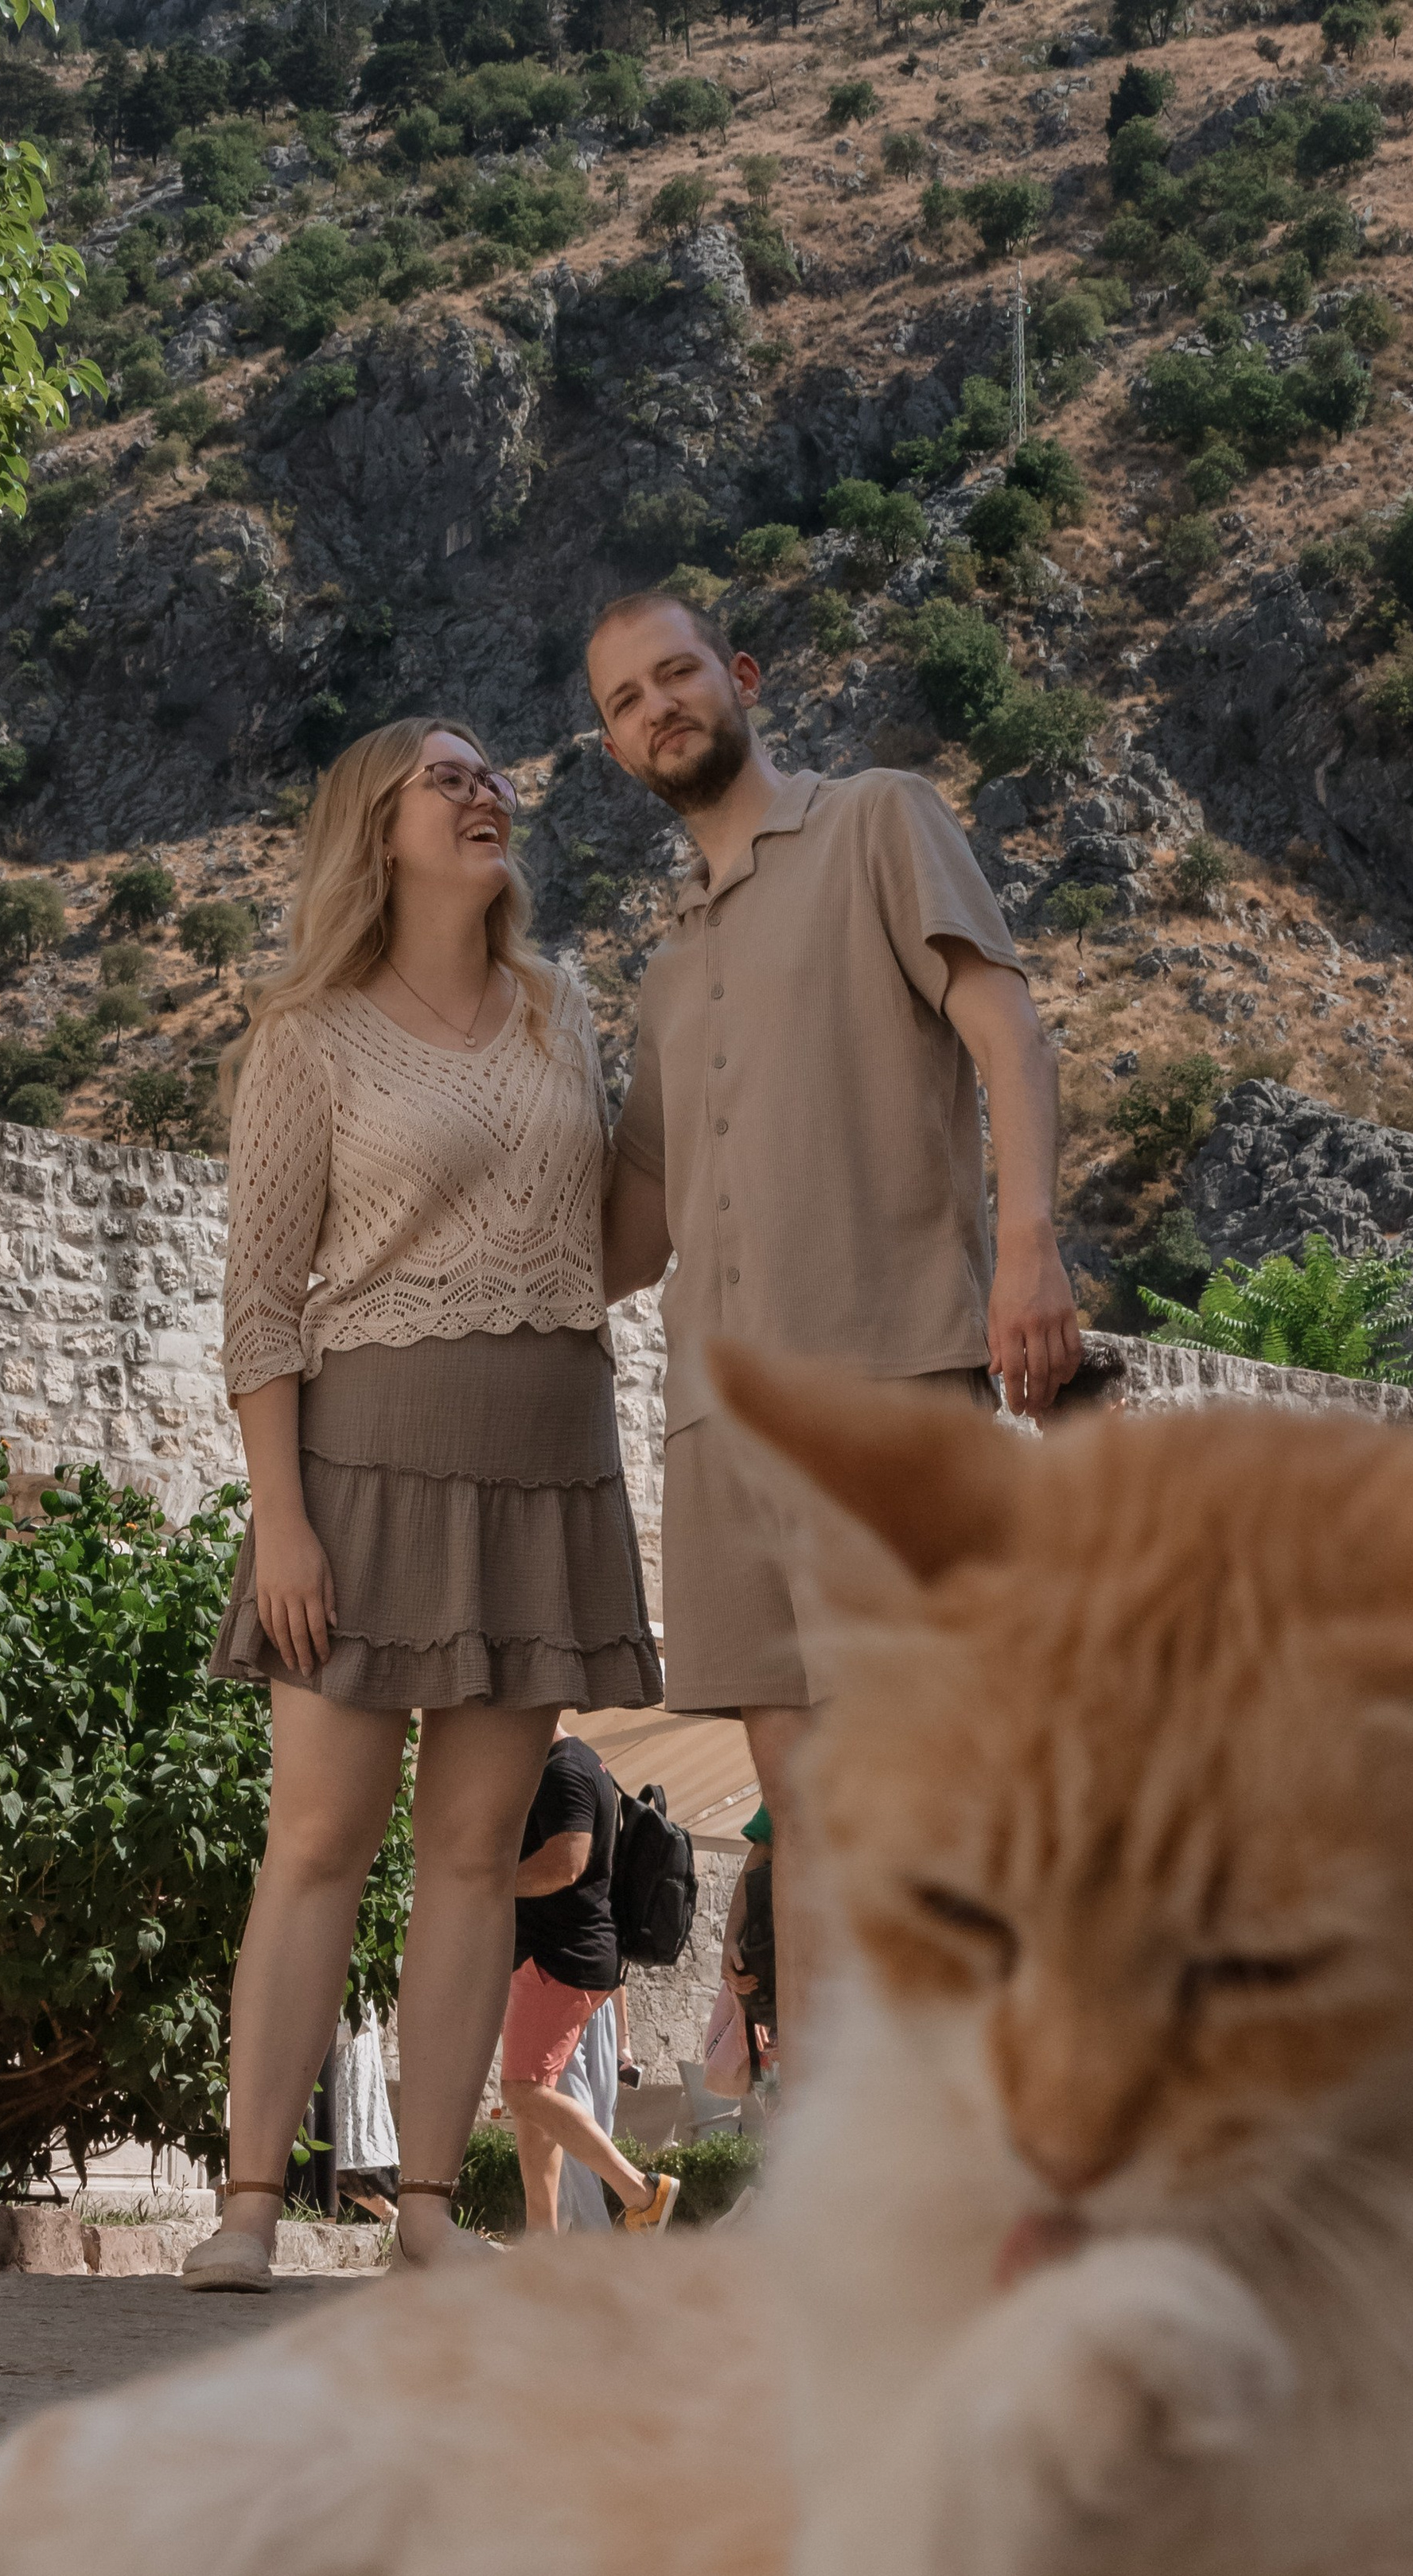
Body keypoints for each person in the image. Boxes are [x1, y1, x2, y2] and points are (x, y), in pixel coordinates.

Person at [184, 718, 662, 2290]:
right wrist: (281, 1516)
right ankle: (252, 2203)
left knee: (470, 1855)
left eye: (488, 773)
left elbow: (607, 1247)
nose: (482, 791)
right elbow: (258, 1299)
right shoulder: (309, 1037)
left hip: (541, 1463)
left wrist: (695, 1065)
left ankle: (431, 2213)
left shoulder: (554, 1007)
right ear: (373, 831)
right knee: (315, 1839)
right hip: (362, 1460)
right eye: (441, 778)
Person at [591, 590, 1084, 2029]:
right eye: (623, 699)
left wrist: (1029, 1251)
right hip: (717, 1423)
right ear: (614, 746)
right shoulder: (667, 969)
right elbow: (631, 1226)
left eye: (675, 673)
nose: (657, 707)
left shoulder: (879, 819)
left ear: (739, 676)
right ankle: (828, 2181)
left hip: (888, 1379)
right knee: (797, 1805)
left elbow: (1011, 1031)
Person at [502, 1728, 679, 2236]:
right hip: (568, 1956)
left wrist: (493, 1881)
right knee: (537, 2098)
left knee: (523, 2091)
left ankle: (642, 2193)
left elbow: (568, 1860)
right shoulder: (584, 1761)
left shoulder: (564, 1769)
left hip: (561, 1958)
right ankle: (544, 2238)